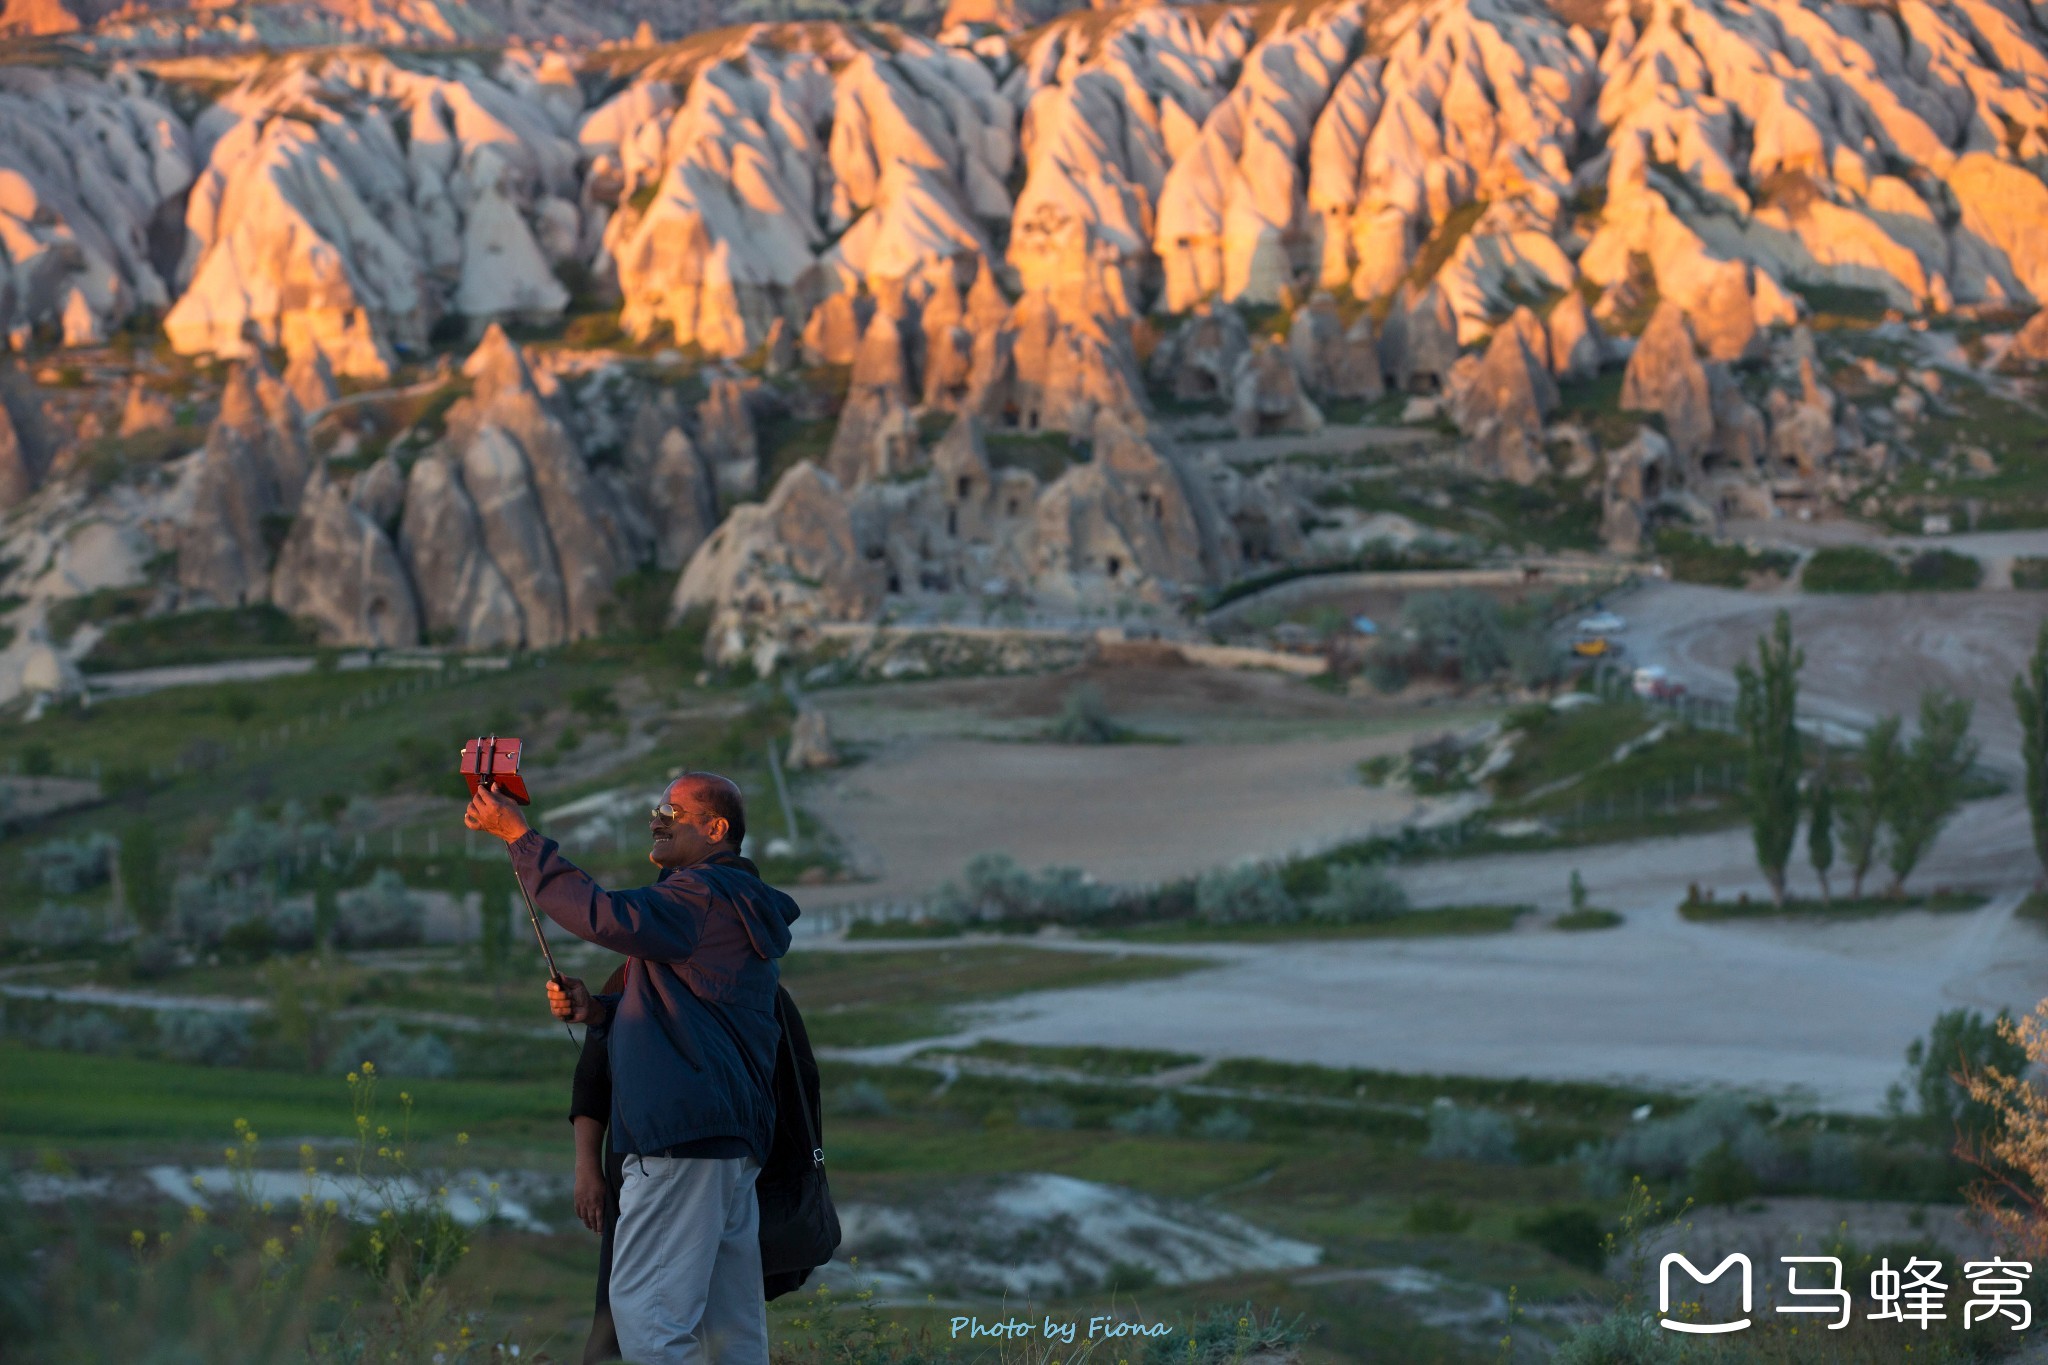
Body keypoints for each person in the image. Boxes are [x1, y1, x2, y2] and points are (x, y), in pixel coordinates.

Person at [466, 771, 797, 1365]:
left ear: (715, 829)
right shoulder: (739, 906)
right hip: (728, 1149)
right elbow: (700, 1013)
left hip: (680, 1144)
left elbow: (602, 915)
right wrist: (600, 1009)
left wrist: (520, 837)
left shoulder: (700, 894)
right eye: (656, 806)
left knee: (649, 1321)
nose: (657, 819)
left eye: (673, 810)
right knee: (730, 1334)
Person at [570, 965, 627, 1365]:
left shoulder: (744, 973)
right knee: (620, 1297)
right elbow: (592, 1080)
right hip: (631, 1172)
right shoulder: (627, 979)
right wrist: (587, 1170)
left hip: (732, 1170)